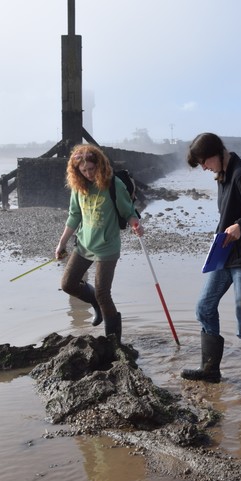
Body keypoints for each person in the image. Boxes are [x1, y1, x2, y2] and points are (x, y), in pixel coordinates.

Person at [180, 132, 241, 388]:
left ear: (216, 153)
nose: (203, 167)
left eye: (204, 161)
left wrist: (240, 227)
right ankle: (210, 370)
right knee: (204, 307)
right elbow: (230, 213)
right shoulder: (222, 174)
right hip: (225, 255)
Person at [55, 144, 143, 339]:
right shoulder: (79, 187)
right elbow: (74, 215)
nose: (88, 174)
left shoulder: (113, 185)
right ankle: (95, 302)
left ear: (100, 165)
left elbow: (128, 211)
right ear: (77, 171)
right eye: (83, 170)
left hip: (107, 247)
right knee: (68, 284)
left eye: (92, 169)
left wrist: (135, 223)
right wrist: (62, 243)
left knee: (103, 294)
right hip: (84, 244)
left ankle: (113, 342)